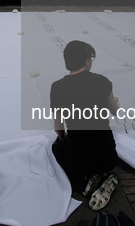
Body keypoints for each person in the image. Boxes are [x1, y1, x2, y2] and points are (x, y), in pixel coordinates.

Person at [50, 40, 119, 211]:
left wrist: (64, 138)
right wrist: (113, 102)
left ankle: (87, 178)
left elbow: (58, 128)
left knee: (57, 147)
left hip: (78, 159)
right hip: (108, 154)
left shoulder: (57, 87)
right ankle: (104, 174)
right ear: (87, 60)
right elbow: (116, 111)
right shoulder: (103, 81)